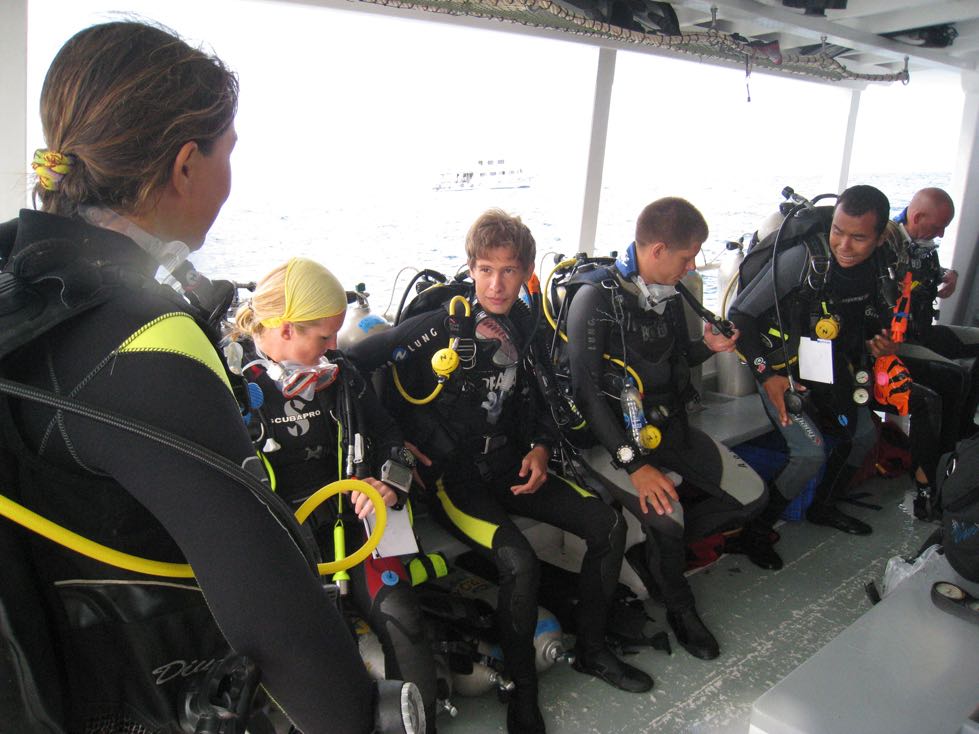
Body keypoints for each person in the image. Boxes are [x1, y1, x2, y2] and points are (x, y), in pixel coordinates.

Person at [0, 21, 404, 734]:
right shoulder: (146, 341)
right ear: (186, 165)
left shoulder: (20, 283)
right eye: (227, 153)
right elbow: (277, 619)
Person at [348, 209, 652, 734]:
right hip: (456, 480)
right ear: (470, 268)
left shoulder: (524, 325)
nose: (496, 283)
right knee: (519, 561)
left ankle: (595, 651)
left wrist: (538, 446)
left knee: (608, 524)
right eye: (485, 269)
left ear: (527, 271)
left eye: (509, 271)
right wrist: (395, 445)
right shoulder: (438, 326)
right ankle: (523, 693)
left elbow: (536, 396)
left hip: (510, 463)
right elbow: (353, 364)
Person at [229, 257, 439, 731]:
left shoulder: (342, 375)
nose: (332, 349)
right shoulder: (230, 385)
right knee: (312, 650)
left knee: (403, 620)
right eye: (323, 338)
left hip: (352, 527)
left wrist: (389, 482)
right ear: (284, 329)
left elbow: (391, 437)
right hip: (279, 540)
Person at [560, 197, 768, 661]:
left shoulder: (669, 292)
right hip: (608, 442)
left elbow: (668, 362)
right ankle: (679, 606)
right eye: (687, 256)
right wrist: (634, 468)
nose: (692, 265)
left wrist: (706, 349)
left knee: (753, 498)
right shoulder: (595, 300)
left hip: (665, 428)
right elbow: (587, 395)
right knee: (668, 523)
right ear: (657, 250)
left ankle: (655, 555)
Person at [730, 184, 931, 539]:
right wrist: (767, 377)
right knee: (809, 453)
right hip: (781, 369)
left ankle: (824, 508)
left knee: (864, 436)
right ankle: (755, 533)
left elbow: (870, 318)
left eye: (858, 238)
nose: (844, 246)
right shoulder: (804, 260)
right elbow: (740, 317)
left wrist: (882, 345)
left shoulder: (881, 266)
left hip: (834, 364)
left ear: (880, 237)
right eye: (838, 231)